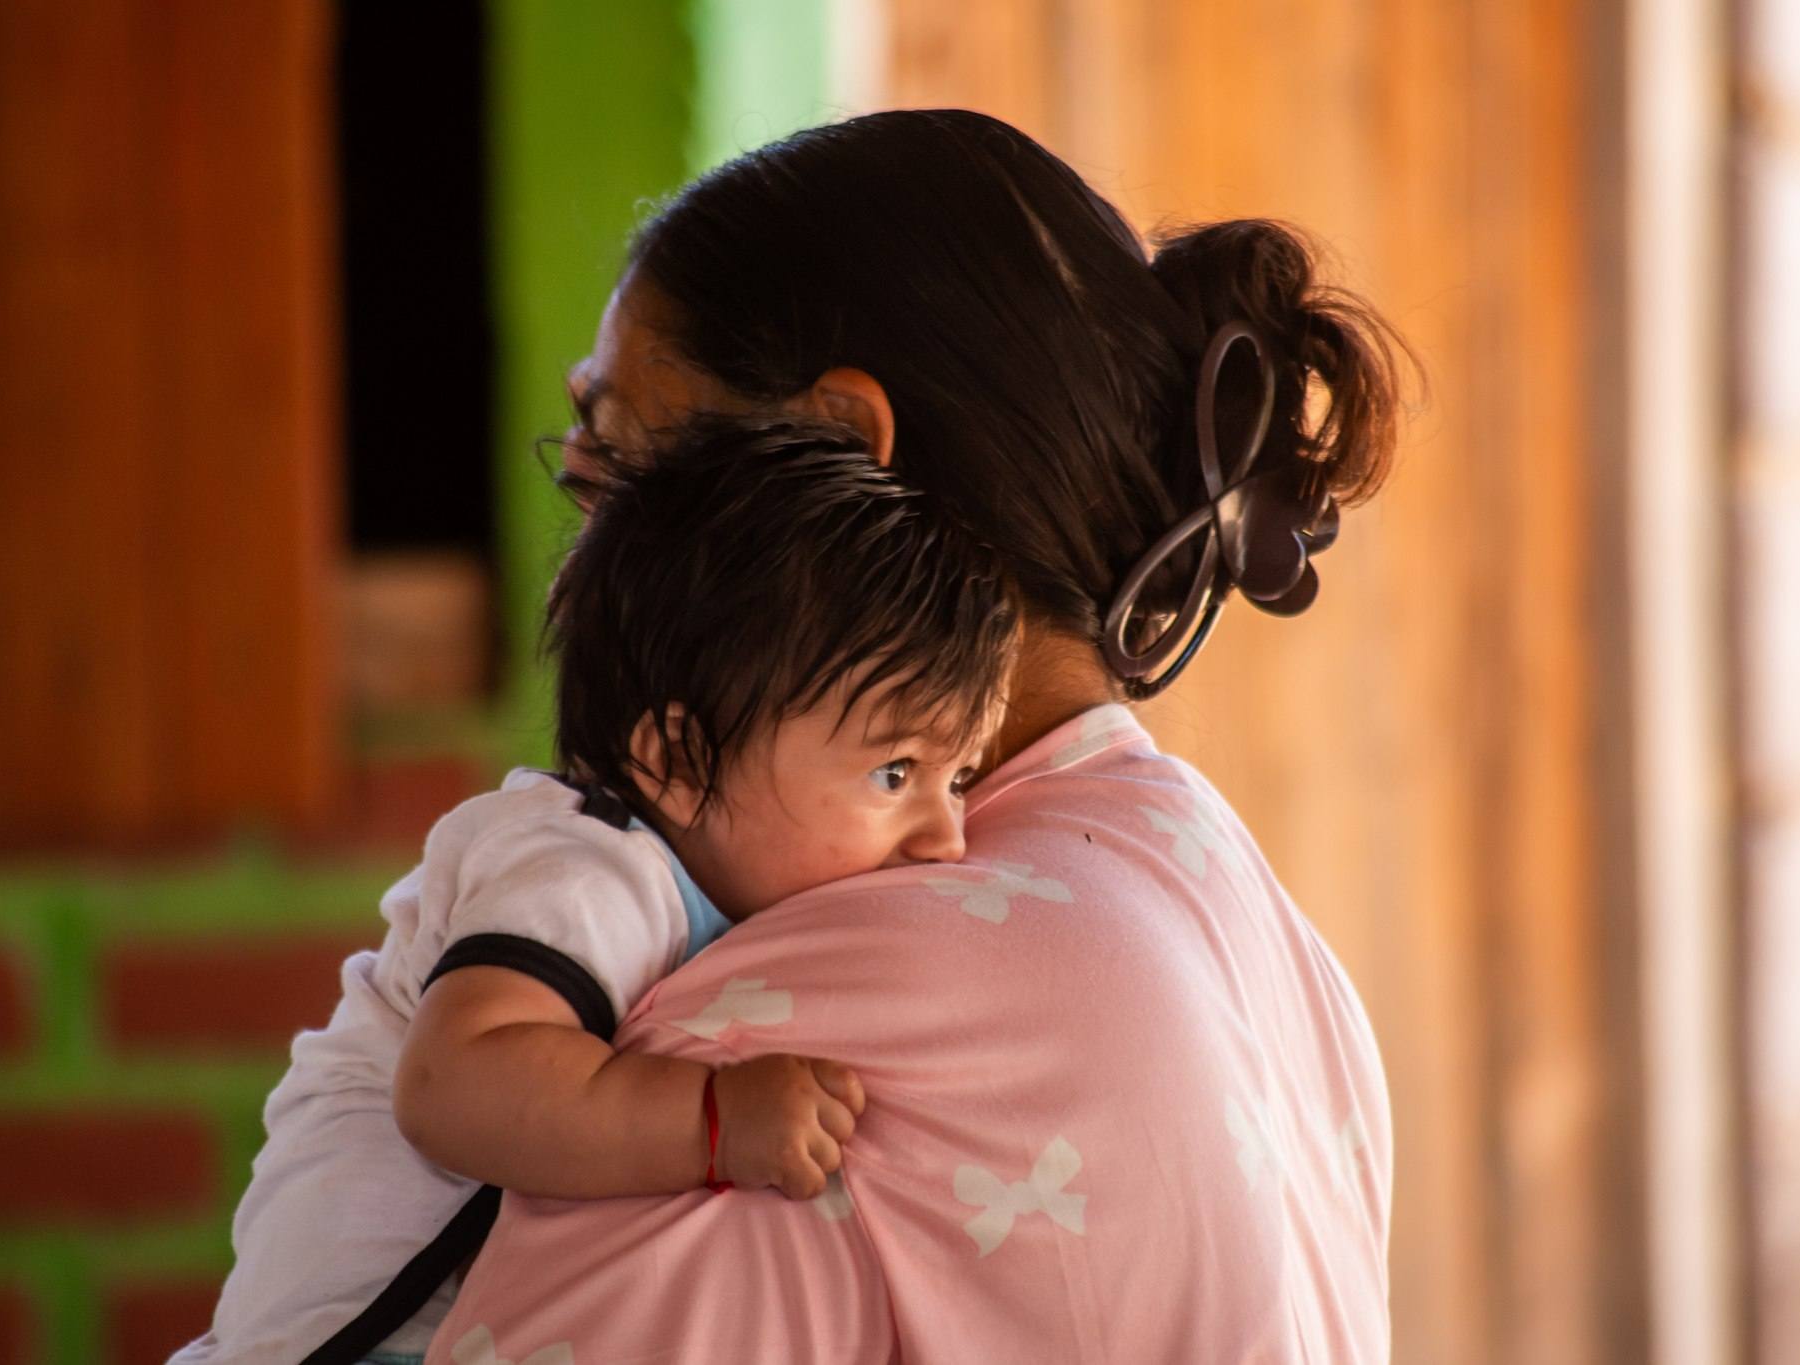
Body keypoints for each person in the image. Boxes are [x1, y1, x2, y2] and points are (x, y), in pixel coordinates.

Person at [422, 109, 1409, 1364]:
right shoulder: (1262, 935)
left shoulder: (796, 1024)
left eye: (621, 468)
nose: (595, 563)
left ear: (837, 450)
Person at [170, 419, 1021, 1365]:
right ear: (677, 760)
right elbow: (454, 1082)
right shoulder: (590, 861)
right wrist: (712, 1118)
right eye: (895, 773)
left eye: (961, 775)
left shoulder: (695, 872)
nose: (947, 836)